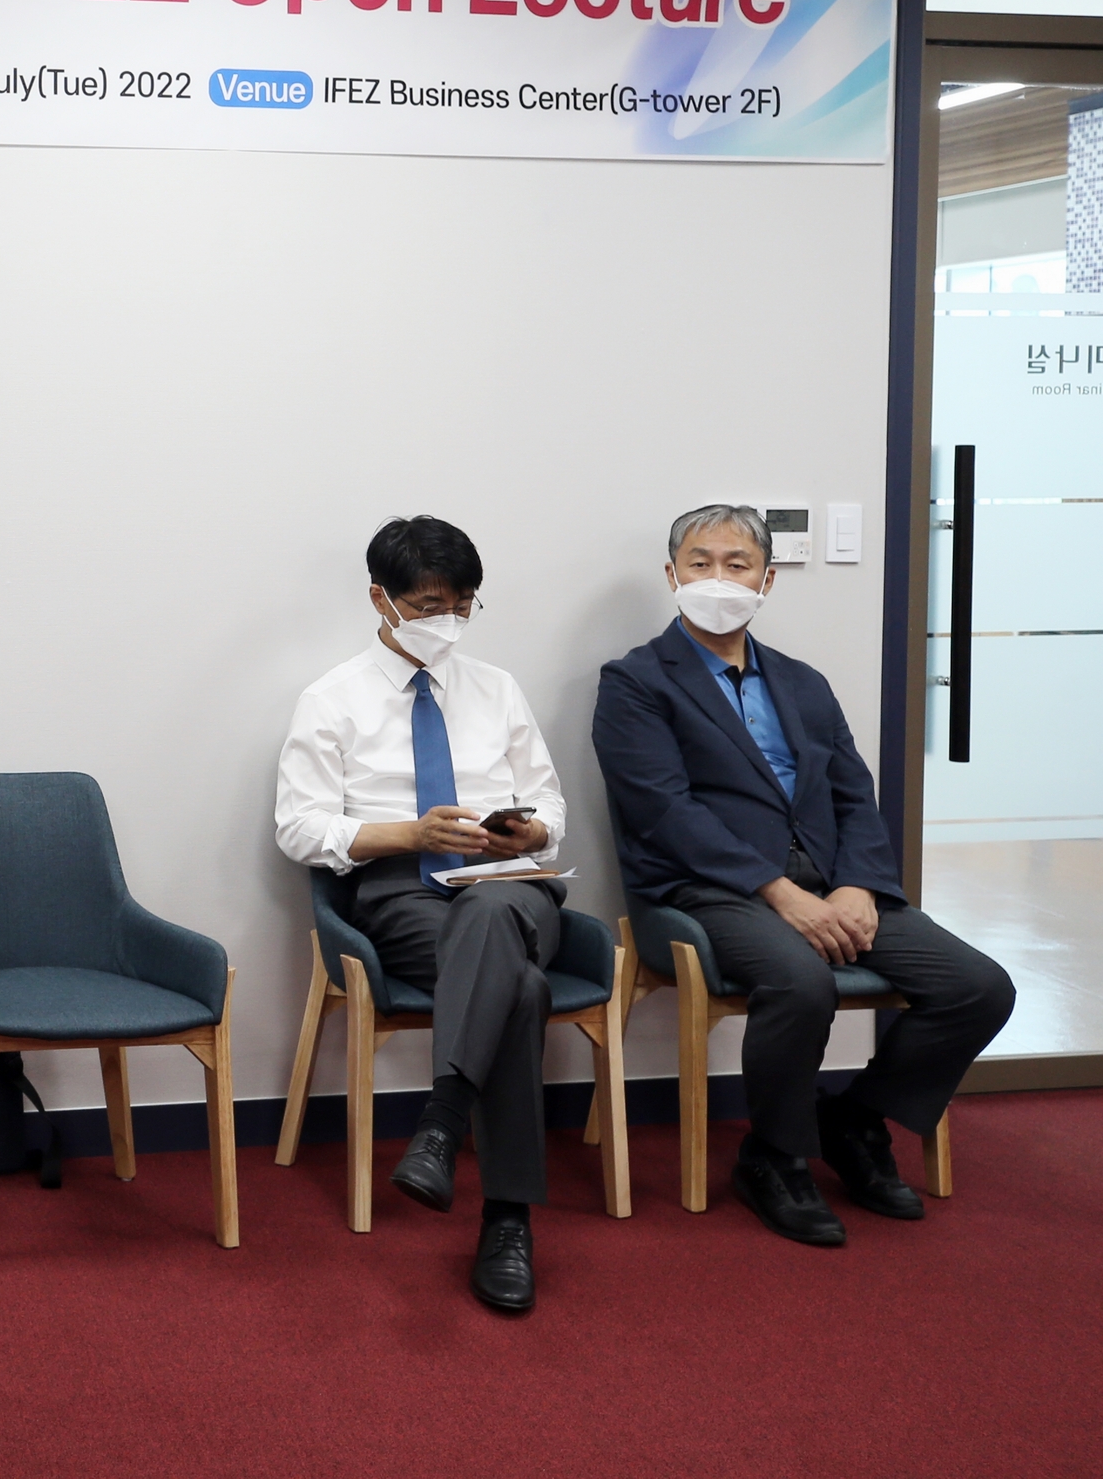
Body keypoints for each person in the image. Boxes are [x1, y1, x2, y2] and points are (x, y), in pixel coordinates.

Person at [593, 504, 1013, 1246]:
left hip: (829, 881)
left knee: (978, 986)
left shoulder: (803, 682)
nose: (718, 578)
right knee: (800, 980)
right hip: (702, 891)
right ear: (671, 574)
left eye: (737, 564)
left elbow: (853, 794)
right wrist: (779, 891)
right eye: (699, 562)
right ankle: (774, 1156)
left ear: (767, 580)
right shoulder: (635, 682)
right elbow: (664, 812)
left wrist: (857, 884)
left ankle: (854, 1120)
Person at [274, 516, 566, 1312]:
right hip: (404, 892)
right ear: (382, 598)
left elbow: (551, 806)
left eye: (463, 604)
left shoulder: (498, 688)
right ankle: (506, 1218)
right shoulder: (330, 700)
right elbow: (298, 828)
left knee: (494, 912)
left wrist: (531, 832)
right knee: (522, 989)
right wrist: (411, 833)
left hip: (509, 882)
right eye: (432, 605)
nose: (450, 620)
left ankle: (441, 1122)